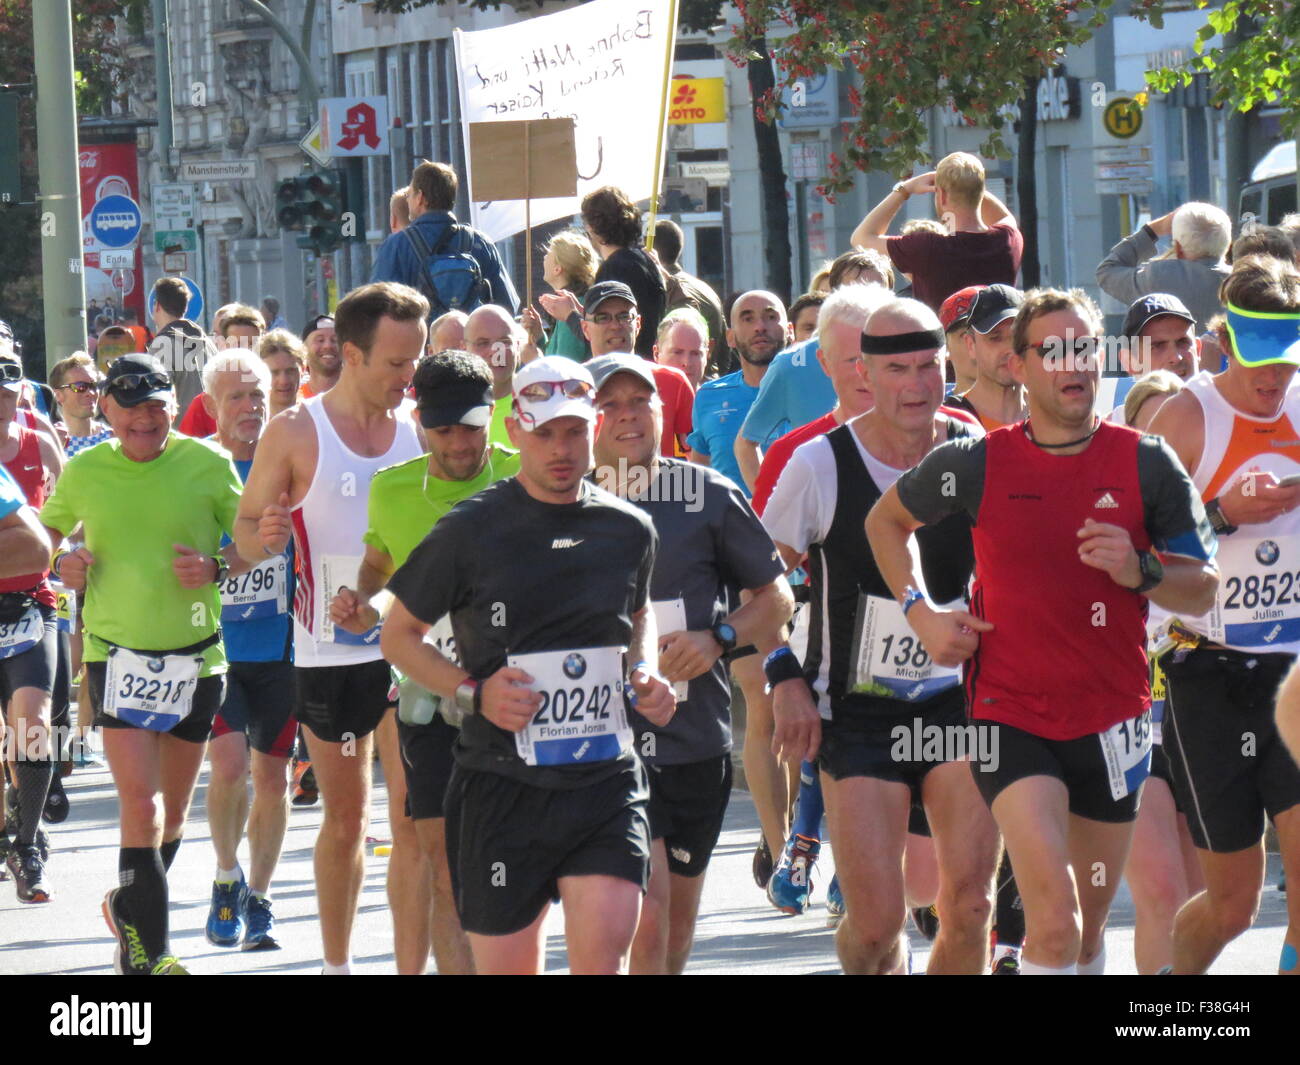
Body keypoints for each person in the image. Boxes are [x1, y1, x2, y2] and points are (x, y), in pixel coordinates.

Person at [866, 287, 1218, 975]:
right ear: (1017, 366)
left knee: (1085, 932)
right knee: (1051, 919)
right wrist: (921, 612)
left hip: (1114, 718)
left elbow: (1201, 585)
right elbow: (885, 523)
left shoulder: (1146, 461)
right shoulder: (977, 461)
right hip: (1010, 714)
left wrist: (1140, 569)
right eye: (1053, 349)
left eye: (1084, 346)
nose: (1073, 362)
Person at [380, 355, 676, 975]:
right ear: (514, 432)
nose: (561, 449)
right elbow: (399, 636)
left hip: (605, 781)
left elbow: (639, 611)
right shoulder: (471, 530)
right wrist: (472, 692)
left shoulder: (629, 529)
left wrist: (644, 671)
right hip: (502, 787)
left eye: (573, 431)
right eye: (544, 434)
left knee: (605, 953)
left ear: (593, 427)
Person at [764, 298, 1000, 974]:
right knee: (874, 929)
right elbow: (754, 585)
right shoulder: (819, 464)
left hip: (958, 703)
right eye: (898, 368)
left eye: (929, 365)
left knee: (970, 906)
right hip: (859, 713)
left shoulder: (975, 451)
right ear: (865, 374)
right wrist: (783, 676)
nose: (918, 383)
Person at [234, 282, 428, 975]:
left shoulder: (420, 428)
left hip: (415, 650)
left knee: (413, 821)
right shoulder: (295, 430)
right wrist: (265, 534)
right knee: (347, 818)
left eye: (417, 360)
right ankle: (337, 965)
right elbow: (243, 541)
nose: (410, 378)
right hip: (330, 653)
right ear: (351, 354)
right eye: (396, 363)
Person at [588, 353, 795, 973]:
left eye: (640, 402)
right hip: (594, 744)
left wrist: (718, 639)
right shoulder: (559, 496)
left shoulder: (706, 494)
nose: (627, 416)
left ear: (663, 410)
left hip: (690, 743)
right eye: (609, 405)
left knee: (673, 926)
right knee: (644, 911)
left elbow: (777, 597)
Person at [40, 354, 244, 975]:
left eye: (156, 404)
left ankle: (128, 908)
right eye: (130, 407)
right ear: (105, 409)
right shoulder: (84, 470)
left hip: (197, 659)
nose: (145, 418)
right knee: (143, 808)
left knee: (174, 815)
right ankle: (151, 956)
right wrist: (61, 564)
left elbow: (249, 543)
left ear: (172, 406)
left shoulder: (207, 464)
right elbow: (47, 536)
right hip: (115, 655)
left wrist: (218, 567)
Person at [332, 350, 519, 974]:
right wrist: (363, 603)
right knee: (444, 865)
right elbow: (384, 567)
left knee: (516, 865)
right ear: (420, 421)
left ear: (491, 415)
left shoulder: (527, 478)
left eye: (471, 426)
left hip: (525, 701)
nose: (461, 442)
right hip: (429, 702)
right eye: (444, 430)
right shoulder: (392, 489)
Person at [1147, 253, 1300, 975]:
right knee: (1234, 902)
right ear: (1225, 342)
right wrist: (1222, 515)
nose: (1274, 379)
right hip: (1207, 673)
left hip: (1293, 673)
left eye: (1288, 362)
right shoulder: (1188, 417)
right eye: (1261, 362)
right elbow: (1142, 557)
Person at [198, 351, 296, 952]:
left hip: (283, 646)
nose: (250, 407)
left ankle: (259, 898)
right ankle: (225, 875)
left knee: (275, 778)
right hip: (220, 647)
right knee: (230, 768)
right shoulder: (198, 468)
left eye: (257, 394)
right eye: (235, 396)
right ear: (210, 405)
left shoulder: (290, 459)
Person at [0, 359, 65, 902]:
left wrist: (74, 550)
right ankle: (11, 822)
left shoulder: (37, 439)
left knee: (32, 721)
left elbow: (70, 510)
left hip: (30, 600)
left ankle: (25, 845)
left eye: (7, 386)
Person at [850, 152, 1024, 311]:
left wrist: (905, 189)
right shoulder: (1007, 240)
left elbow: (861, 238)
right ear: (980, 191)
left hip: (944, 345)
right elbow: (1004, 217)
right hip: (999, 342)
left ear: (941, 196)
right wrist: (970, 185)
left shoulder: (927, 247)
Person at [370, 161, 518, 317]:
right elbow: (507, 307)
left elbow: (377, 308)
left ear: (420, 197)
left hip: (423, 340)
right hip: (472, 339)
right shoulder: (480, 243)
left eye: (409, 195)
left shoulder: (397, 245)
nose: (407, 200)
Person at [687, 290, 790, 492]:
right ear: (730, 337)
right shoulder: (708, 396)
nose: (760, 327)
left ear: (790, 330)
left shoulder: (815, 392)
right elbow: (699, 481)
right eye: (748, 319)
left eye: (770, 317)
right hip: (728, 522)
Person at [580, 281, 695, 459]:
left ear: (638, 323)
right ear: (585, 328)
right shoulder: (571, 386)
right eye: (602, 317)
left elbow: (694, 457)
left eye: (624, 316)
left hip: (662, 485)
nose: (615, 326)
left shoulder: (674, 382)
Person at [1096, 202, 1232, 332]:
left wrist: (1152, 230)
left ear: (1178, 248)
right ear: (1227, 244)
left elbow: (1107, 272)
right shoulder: (1243, 282)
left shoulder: (1159, 277)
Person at [581, 186, 665, 357]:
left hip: (626, 367)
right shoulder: (646, 260)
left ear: (592, 228)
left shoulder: (614, 269)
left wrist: (569, 315)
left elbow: (607, 332)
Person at [1100, 294, 1198, 420]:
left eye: (1183, 342)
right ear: (1129, 362)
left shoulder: (1226, 414)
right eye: (1157, 346)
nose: (1175, 357)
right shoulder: (1111, 434)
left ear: (1198, 349)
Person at [945, 285, 1027, 431]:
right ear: (971, 345)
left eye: (1017, 336)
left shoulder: (1051, 413)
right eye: (995, 338)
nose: (1009, 349)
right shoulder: (948, 423)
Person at [179, 306, 268, 438]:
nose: (244, 352)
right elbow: (189, 453)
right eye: (237, 345)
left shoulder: (281, 393)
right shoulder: (204, 405)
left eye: (251, 345)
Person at [652, 219, 727, 376]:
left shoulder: (667, 291)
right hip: (711, 381)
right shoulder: (707, 290)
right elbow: (725, 352)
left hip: (689, 385)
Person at [523, 229, 598, 362]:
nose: (544, 257)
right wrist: (539, 335)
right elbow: (555, 354)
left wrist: (534, 360)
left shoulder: (569, 310)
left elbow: (563, 369)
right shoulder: (571, 305)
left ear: (558, 269)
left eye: (548, 253)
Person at [465, 303, 527, 450]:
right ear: (464, 348)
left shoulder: (538, 402)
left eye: (504, 342)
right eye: (482, 343)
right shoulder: (450, 407)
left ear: (517, 347)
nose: (495, 351)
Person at [147, 277, 206, 412]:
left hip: (177, 430)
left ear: (157, 306)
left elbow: (155, 398)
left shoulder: (162, 346)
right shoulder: (208, 343)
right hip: (209, 429)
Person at [48, 354, 113, 457]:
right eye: (80, 387)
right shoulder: (50, 440)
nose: (90, 393)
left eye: (94, 386)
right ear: (59, 395)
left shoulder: (112, 439)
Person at [938, 286, 983, 393]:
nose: (975, 344)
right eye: (965, 335)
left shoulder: (1030, 404)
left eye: (992, 335)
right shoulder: (932, 408)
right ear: (946, 346)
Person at [652, 308, 709, 392]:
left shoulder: (721, 402)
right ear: (657, 353)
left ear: (706, 356)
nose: (687, 363)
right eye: (677, 352)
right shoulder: (639, 403)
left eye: (695, 353)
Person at [255, 329, 306, 419]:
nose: (283, 381)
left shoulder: (317, 418)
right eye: (274, 373)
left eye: (290, 371)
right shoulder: (252, 424)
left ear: (303, 369)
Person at [300, 314, 340, 398]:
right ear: (304, 349)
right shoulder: (295, 399)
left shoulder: (360, 397)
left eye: (334, 340)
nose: (328, 346)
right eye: (320, 340)